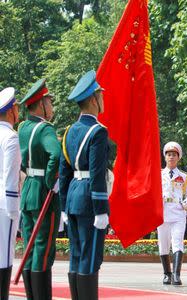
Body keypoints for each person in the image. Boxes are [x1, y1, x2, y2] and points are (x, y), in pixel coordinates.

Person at [59, 70, 110, 300]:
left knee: (76, 256)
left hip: (72, 198)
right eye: (101, 95)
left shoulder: (70, 131)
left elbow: (64, 173)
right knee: (90, 259)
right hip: (90, 199)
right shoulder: (98, 132)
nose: (103, 99)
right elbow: (98, 174)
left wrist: (63, 207)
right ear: (93, 100)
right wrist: (101, 209)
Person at [18, 79, 61, 299]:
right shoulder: (45, 129)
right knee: (43, 249)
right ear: (41, 104)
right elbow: (56, 154)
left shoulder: (23, 127)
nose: (52, 108)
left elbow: (23, 160)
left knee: (30, 247)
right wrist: (50, 180)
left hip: (28, 191)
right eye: (49, 102)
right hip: (43, 192)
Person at [158, 141, 187, 286]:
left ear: (178, 158)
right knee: (164, 244)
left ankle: (176, 275)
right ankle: (167, 274)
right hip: (162, 213)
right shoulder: (158, 174)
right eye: (168, 154)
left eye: (174, 155)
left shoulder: (184, 176)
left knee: (178, 243)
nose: (171, 157)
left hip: (178, 213)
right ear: (165, 157)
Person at [0, 87, 21, 300]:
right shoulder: (11, 137)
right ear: (10, 111)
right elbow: (10, 177)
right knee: (5, 258)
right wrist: (14, 210)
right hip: (4, 205)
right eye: (16, 108)